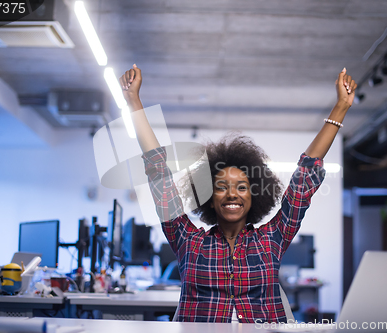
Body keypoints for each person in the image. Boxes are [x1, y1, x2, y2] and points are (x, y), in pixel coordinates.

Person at [119, 65, 356, 323]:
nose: (232, 194)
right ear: (209, 198)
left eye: (241, 187)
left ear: (253, 195)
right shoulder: (187, 240)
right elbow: (158, 174)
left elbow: (304, 179)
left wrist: (341, 107)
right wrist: (133, 101)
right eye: (222, 187)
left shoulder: (272, 239)